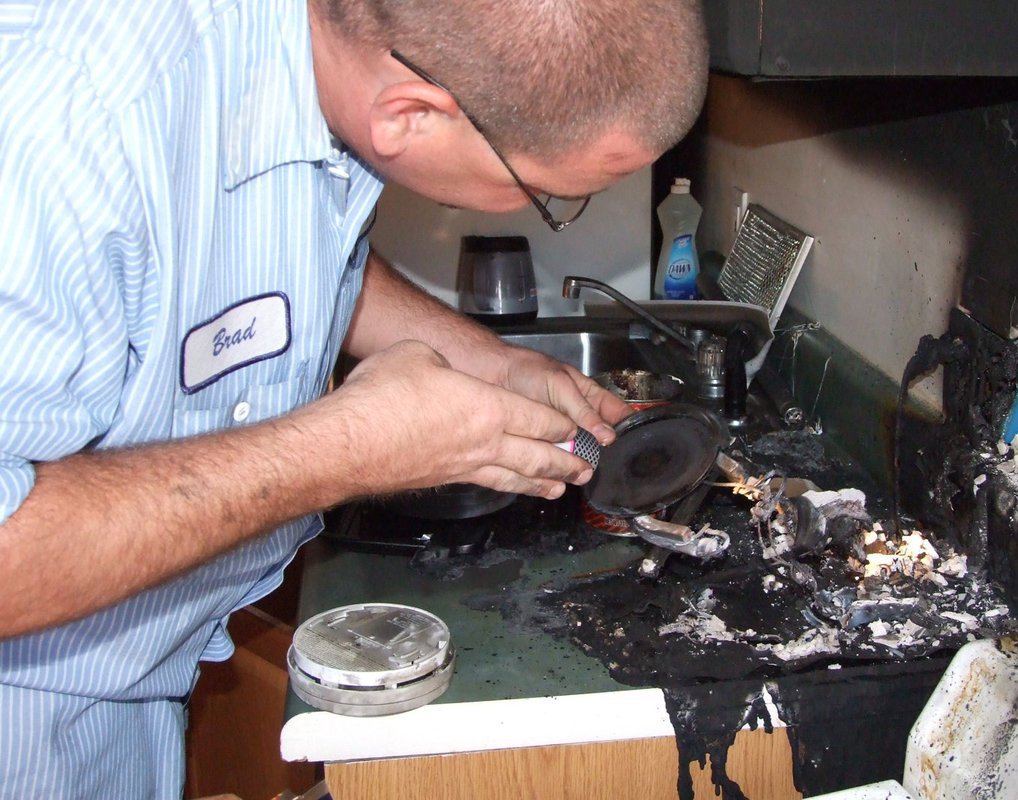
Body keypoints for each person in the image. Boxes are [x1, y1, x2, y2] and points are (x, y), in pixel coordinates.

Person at [0, 0, 708, 795]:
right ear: (409, 115)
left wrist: (484, 361)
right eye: (552, 197)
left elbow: (276, 240)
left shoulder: (327, 60)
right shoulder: (54, 123)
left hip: (133, 671)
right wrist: (352, 449)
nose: (556, 217)